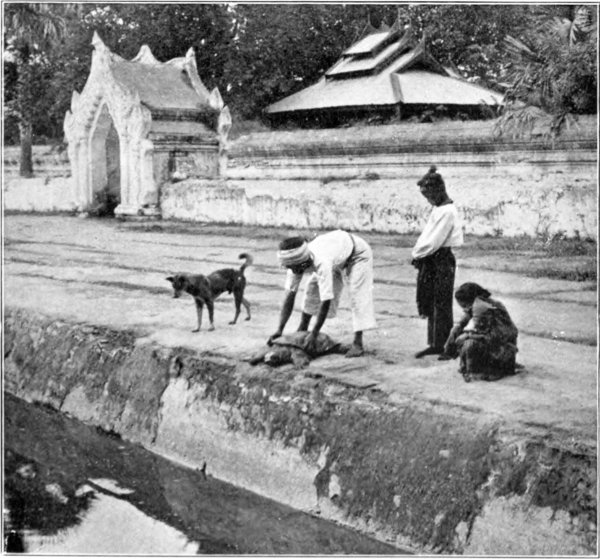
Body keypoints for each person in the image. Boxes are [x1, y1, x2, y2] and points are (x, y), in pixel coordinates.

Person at [269, 229, 377, 357]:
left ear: (302, 263)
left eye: (294, 268)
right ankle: (302, 329)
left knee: (357, 294)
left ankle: (358, 344)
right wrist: (279, 330)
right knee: (312, 288)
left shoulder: (321, 262)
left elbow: (326, 300)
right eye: (289, 268)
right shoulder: (294, 262)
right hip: (336, 254)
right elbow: (289, 296)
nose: (292, 271)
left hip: (357, 253)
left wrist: (315, 333)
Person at [411, 165, 463, 359]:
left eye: (429, 195)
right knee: (431, 300)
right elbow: (427, 236)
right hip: (431, 258)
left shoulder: (447, 211)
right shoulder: (438, 209)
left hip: (441, 259)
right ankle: (434, 343)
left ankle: (447, 346)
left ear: (438, 191)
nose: (428, 199)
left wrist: (418, 254)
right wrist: (418, 253)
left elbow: (434, 241)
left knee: (442, 303)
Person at [444, 282, 519, 382]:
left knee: (469, 343)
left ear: (469, 301)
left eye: (464, 305)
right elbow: (463, 322)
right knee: (461, 334)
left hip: (503, 347)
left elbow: (484, 334)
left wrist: (466, 336)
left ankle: (478, 373)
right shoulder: (481, 302)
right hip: (500, 344)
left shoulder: (480, 306)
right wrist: (456, 331)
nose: (464, 309)